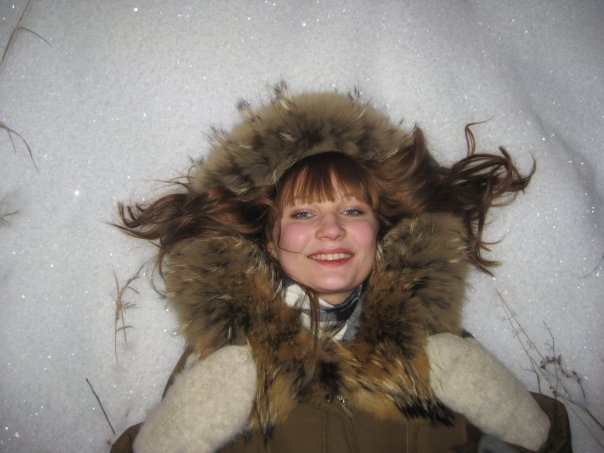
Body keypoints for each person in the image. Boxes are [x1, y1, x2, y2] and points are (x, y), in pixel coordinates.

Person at [111, 85, 571, 452]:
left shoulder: (443, 355)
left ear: (380, 231)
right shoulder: (219, 361)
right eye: (303, 213)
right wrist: (169, 435)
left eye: (352, 211)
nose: (331, 229)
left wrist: (530, 428)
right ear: (270, 242)